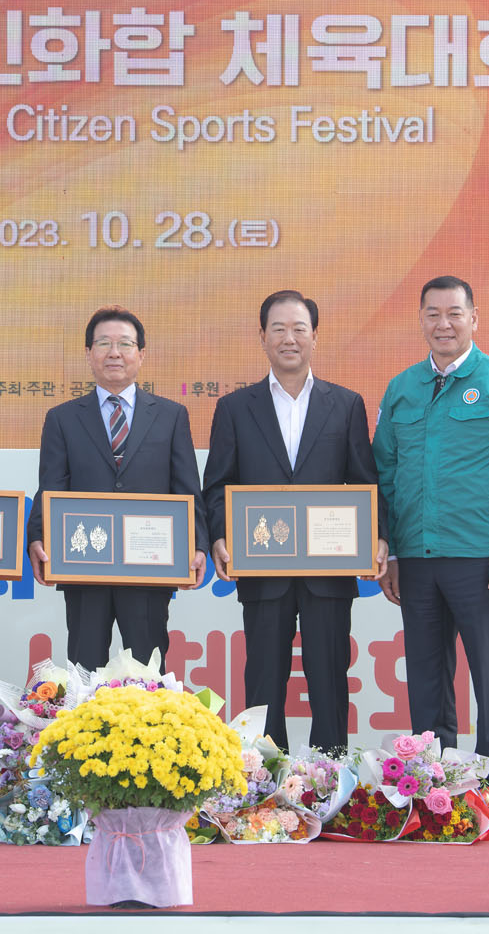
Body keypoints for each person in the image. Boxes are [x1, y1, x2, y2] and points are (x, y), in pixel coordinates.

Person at [372, 275, 489, 817]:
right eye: (433, 314)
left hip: (484, 562)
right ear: (421, 320)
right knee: (426, 683)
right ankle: (434, 790)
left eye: (454, 313)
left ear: (474, 318)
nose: (443, 324)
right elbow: (384, 474)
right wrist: (390, 551)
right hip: (417, 561)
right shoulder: (402, 388)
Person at [201, 290, 387, 753]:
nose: (289, 338)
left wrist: (377, 537)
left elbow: (365, 483)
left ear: (314, 337)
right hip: (262, 569)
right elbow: (218, 485)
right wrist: (220, 535)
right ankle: (266, 779)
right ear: (262, 336)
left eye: (299, 329)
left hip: (329, 571)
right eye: (279, 329)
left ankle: (330, 776)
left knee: (330, 679)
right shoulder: (235, 408)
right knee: (263, 682)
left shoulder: (345, 404)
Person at [27, 307, 207, 671]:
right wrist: (37, 538)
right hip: (83, 566)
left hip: (149, 569)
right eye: (103, 344)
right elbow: (51, 487)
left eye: (125, 344)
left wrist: (198, 543)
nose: (114, 353)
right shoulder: (62, 418)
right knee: (84, 669)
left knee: (147, 671)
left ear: (141, 354)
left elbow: (187, 489)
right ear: (88, 353)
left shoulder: (171, 416)